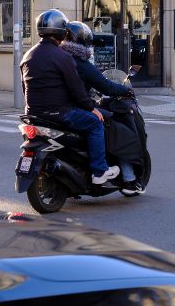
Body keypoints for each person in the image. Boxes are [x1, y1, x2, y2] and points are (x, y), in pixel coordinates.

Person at [22, 10, 119, 185]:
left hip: (33, 113)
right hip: (59, 112)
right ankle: (99, 171)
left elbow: (25, 88)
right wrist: (92, 108)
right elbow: (77, 90)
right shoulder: (63, 57)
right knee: (96, 123)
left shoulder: (28, 56)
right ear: (61, 31)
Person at [62, 20, 143, 193]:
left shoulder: (58, 58)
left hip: (57, 107)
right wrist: (125, 91)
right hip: (75, 108)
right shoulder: (80, 64)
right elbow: (105, 86)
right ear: (83, 41)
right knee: (115, 127)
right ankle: (125, 178)